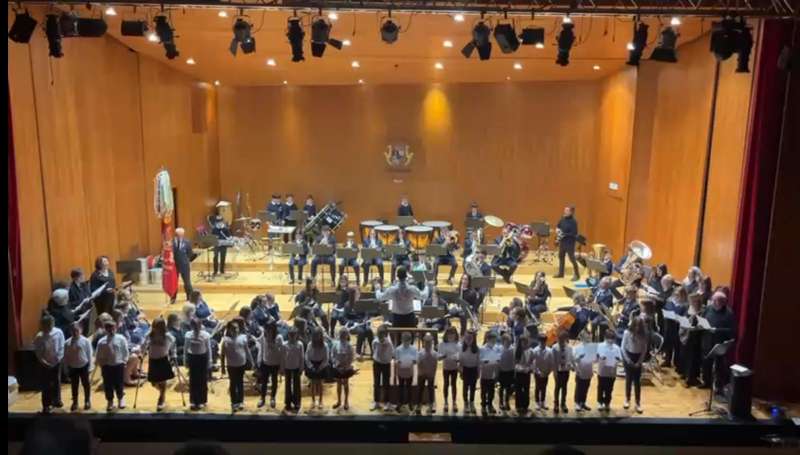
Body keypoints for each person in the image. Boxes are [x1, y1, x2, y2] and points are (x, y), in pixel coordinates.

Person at [700, 291, 736, 392]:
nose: (715, 303)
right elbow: (702, 319)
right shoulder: (708, 308)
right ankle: (706, 382)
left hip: (719, 343)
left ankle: (719, 387)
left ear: (724, 302)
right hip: (707, 340)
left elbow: (731, 331)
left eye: (718, 301)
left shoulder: (729, 314)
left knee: (719, 366)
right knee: (706, 362)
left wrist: (716, 330)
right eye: (714, 300)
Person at [375, 266, 430, 331]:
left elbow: (380, 297)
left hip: (397, 318)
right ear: (406, 276)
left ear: (397, 277)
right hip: (409, 318)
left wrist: (377, 288)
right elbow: (424, 295)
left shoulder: (392, 290)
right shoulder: (412, 288)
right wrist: (426, 286)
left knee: (397, 338)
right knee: (410, 338)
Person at [33, 312, 65, 413]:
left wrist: (58, 359)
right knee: (46, 384)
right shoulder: (39, 337)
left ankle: (56, 400)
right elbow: (38, 353)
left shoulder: (58, 332)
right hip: (45, 364)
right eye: (47, 326)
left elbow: (61, 347)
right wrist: (44, 362)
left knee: (56, 381)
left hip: (56, 362)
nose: (50, 327)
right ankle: (46, 405)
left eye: (51, 325)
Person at [96, 319, 129, 412]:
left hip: (118, 364)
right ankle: (110, 401)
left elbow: (125, 351)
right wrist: (101, 364)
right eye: (109, 329)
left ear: (116, 328)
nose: (111, 331)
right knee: (108, 384)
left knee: (119, 383)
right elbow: (98, 355)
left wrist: (124, 361)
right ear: (105, 329)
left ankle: (121, 398)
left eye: (113, 328)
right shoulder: (101, 342)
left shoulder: (121, 338)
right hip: (107, 366)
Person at [221, 320, 253, 412]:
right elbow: (223, 355)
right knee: (233, 384)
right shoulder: (225, 340)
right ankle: (234, 402)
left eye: (237, 328)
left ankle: (240, 401)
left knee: (240, 383)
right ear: (229, 329)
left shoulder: (243, 338)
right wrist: (223, 367)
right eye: (233, 328)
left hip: (241, 365)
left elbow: (247, 351)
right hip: (231, 366)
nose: (235, 330)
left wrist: (252, 362)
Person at [147, 317, 176, 411]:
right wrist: (141, 350)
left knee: (162, 382)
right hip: (152, 360)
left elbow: (173, 344)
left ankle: (161, 398)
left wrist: (173, 354)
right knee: (153, 382)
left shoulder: (167, 336)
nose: (155, 329)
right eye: (154, 326)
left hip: (162, 360)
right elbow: (144, 343)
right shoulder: (150, 335)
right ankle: (162, 392)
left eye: (157, 327)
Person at [183, 318, 212, 411]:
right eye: (194, 326)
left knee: (202, 380)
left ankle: (202, 400)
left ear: (200, 326)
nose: (196, 328)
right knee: (193, 381)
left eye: (198, 326)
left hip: (202, 359)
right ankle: (194, 401)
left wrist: (209, 361)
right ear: (192, 326)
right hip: (193, 359)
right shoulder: (188, 335)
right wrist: (185, 360)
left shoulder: (206, 335)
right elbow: (185, 349)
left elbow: (208, 349)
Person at [64, 322, 93, 411]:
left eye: (76, 330)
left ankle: (87, 400)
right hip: (73, 367)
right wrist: (66, 368)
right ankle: (75, 402)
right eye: (73, 331)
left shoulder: (86, 341)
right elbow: (65, 356)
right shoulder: (67, 343)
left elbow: (89, 354)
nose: (75, 332)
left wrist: (90, 366)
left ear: (81, 330)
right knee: (74, 385)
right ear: (70, 331)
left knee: (86, 384)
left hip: (83, 365)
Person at [622, 316, 648, 413]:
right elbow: (623, 348)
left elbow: (644, 350)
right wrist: (627, 360)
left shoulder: (643, 335)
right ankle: (627, 399)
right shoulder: (627, 333)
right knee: (628, 379)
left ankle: (637, 402)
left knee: (637, 382)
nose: (637, 328)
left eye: (639, 327)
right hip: (628, 357)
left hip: (638, 358)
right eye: (636, 326)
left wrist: (639, 362)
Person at [257, 323, 283, 409]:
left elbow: (281, 350)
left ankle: (272, 398)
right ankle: (262, 398)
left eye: (269, 330)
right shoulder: (263, 336)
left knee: (274, 381)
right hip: (265, 363)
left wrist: (272, 343)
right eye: (266, 329)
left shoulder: (279, 337)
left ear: (273, 329)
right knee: (264, 382)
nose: (267, 331)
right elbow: (260, 345)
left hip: (275, 364)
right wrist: (259, 360)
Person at [662, 285, 689, 368]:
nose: (677, 297)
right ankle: (667, 361)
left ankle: (677, 364)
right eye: (676, 294)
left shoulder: (685, 305)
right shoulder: (670, 301)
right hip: (668, 326)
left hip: (678, 328)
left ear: (683, 295)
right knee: (668, 344)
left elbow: (685, 317)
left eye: (679, 295)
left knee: (677, 346)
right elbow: (665, 309)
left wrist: (677, 318)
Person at [597, 329, 623, 411]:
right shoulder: (600, 346)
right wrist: (601, 357)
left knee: (609, 388)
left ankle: (607, 403)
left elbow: (620, 359)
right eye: (609, 338)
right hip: (602, 372)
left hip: (612, 372)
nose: (610, 340)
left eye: (612, 338)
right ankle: (600, 402)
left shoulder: (616, 348)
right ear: (605, 338)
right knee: (601, 387)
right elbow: (596, 356)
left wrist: (618, 359)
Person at [305, 327, 330, 411]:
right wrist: (311, 366)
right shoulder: (310, 344)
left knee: (320, 384)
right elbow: (306, 357)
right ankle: (313, 401)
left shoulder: (325, 345)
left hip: (321, 365)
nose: (317, 337)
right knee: (312, 384)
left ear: (321, 336)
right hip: (312, 365)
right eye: (315, 336)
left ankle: (320, 401)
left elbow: (326, 359)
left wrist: (321, 367)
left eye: (318, 335)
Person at [371, 324, 394, 411]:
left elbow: (392, 354)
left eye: (382, 336)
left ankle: (387, 402)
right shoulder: (375, 341)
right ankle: (376, 402)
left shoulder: (389, 343)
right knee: (376, 383)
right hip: (377, 363)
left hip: (386, 364)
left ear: (385, 335)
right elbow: (374, 349)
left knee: (386, 384)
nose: (380, 338)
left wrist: (386, 360)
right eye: (379, 336)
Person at [554, 205, 580, 281]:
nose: (565, 211)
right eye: (564, 210)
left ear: (571, 212)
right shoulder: (562, 219)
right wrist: (557, 230)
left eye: (567, 210)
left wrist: (564, 234)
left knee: (572, 259)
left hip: (569, 243)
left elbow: (574, 233)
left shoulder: (574, 222)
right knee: (561, 257)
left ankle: (577, 275)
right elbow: (558, 226)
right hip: (562, 242)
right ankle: (561, 273)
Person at [332, 327, 355, 411]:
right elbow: (333, 354)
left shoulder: (349, 345)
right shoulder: (336, 344)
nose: (342, 336)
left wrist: (346, 365)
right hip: (338, 367)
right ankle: (338, 401)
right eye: (341, 334)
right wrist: (336, 364)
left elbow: (351, 357)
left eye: (344, 334)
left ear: (347, 335)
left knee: (345, 384)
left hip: (346, 368)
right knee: (338, 385)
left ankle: (346, 401)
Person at [550, 330, 573, 414]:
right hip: (558, 371)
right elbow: (553, 361)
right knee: (557, 387)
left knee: (564, 387)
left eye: (563, 339)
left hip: (565, 370)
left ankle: (563, 403)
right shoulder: (554, 348)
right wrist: (554, 372)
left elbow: (570, 358)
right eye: (560, 339)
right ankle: (556, 404)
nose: (561, 341)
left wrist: (571, 365)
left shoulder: (569, 348)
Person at [282, 327, 304, 413]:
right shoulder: (285, 345)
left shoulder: (300, 344)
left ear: (296, 335)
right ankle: (288, 402)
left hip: (296, 367)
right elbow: (282, 358)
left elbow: (302, 357)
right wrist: (282, 368)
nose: (292, 337)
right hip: (287, 367)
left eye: (293, 335)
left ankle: (297, 402)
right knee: (287, 386)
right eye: (290, 335)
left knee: (296, 386)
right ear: (288, 335)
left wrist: (301, 367)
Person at [394, 331, 417, 413]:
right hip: (401, 371)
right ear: (401, 340)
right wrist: (398, 362)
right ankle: (400, 402)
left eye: (408, 340)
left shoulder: (414, 349)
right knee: (400, 387)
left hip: (409, 371)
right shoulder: (398, 349)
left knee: (409, 387)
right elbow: (396, 359)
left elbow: (416, 360)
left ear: (410, 340)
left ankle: (410, 402)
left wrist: (412, 361)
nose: (406, 342)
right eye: (404, 340)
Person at [439, 326, 460, 414]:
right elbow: (438, 356)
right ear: (446, 335)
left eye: (453, 334)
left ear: (456, 335)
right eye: (449, 334)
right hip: (446, 367)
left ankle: (454, 402)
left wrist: (457, 358)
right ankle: (446, 402)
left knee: (454, 384)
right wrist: (442, 356)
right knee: (446, 384)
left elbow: (460, 356)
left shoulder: (458, 344)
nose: (451, 336)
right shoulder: (442, 344)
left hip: (454, 367)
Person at [479, 331, 501, 415]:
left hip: (493, 373)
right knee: (484, 392)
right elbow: (480, 360)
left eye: (495, 341)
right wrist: (485, 361)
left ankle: (490, 405)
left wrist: (498, 361)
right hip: (485, 374)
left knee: (492, 391)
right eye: (492, 341)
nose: (494, 342)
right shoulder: (482, 349)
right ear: (487, 340)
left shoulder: (497, 348)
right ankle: (484, 406)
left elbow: (499, 357)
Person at [172, 227, 196, 302]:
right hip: (174, 265)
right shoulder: (171, 242)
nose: (180, 236)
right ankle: (173, 297)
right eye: (178, 234)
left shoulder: (187, 242)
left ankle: (189, 297)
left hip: (184, 265)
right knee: (174, 282)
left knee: (187, 282)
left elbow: (190, 253)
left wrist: (187, 260)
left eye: (181, 234)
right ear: (176, 235)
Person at [572, 333, 595, 412]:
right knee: (579, 388)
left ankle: (583, 403)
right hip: (580, 371)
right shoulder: (577, 348)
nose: (589, 339)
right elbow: (573, 360)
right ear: (582, 339)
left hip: (588, 372)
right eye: (587, 338)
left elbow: (594, 360)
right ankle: (577, 403)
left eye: (590, 338)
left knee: (585, 388)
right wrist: (579, 357)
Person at [460, 329, 480, 415]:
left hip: (474, 369)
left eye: (470, 338)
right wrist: (460, 371)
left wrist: (479, 372)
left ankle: (471, 402)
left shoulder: (477, 349)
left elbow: (478, 361)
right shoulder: (461, 348)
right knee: (465, 387)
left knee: (472, 388)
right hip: (465, 369)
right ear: (464, 338)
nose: (468, 340)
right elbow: (460, 361)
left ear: (474, 339)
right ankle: (465, 403)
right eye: (466, 338)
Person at [417, 333, 438, 415]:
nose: (428, 344)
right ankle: (418, 404)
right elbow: (418, 364)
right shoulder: (420, 353)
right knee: (420, 389)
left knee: (430, 389)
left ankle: (431, 404)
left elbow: (435, 365)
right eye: (426, 342)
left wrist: (433, 374)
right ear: (423, 343)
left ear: (432, 343)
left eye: (429, 342)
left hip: (430, 374)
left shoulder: (435, 353)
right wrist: (420, 373)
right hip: (422, 374)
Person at [531, 333, 552, 411]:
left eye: (544, 342)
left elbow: (551, 363)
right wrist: (538, 372)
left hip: (546, 372)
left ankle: (543, 402)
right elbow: (533, 364)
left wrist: (548, 372)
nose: (543, 343)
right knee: (537, 387)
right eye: (541, 341)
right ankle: (537, 402)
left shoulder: (549, 351)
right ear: (539, 341)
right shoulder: (535, 350)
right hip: (537, 373)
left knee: (544, 387)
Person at [513, 334, 533, 415]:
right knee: (518, 390)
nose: (524, 344)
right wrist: (521, 369)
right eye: (522, 343)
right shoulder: (517, 351)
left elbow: (532, 362)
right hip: (519, 373)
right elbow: (515, 363)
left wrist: (529, 368)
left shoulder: (530, 351)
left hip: (526, 373)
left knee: (526, 389)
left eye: (525, 342)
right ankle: (518, 406)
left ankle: (525, 406)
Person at [68, 268, 92, 333]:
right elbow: (71, 303)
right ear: (75, 277)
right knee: (82, 331)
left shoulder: (84, 285)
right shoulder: (71, 289)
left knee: (88, 330)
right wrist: (83, 301)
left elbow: (89, 294)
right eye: (81, 276)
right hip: (79, 314)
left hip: (87, 311)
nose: (83, 277)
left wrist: (89, 298)